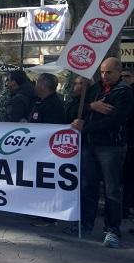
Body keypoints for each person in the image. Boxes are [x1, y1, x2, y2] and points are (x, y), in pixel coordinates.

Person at [70, 58, 133, 248]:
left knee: (111, 189)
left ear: (119, 72)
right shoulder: (94, 88)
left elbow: (115, 121)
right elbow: (75, 108)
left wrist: (86, 126)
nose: (105, 76)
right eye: (103, 72)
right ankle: (85, 224)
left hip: (111, 147)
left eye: (109, 73)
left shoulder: (124, 92)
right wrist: (91, 106)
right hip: (90, 146)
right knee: (88, 186)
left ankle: (112, 230)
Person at [28, 73, 65, 227]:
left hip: (48, 153)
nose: (35, 86)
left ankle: (49, 217)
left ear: (43, 85)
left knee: (47, 183)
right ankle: (42, 213)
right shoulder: (40, 102)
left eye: (37, 83)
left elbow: (51, 130)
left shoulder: (54, 105)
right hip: (38, 152)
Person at [120, 68, 134, 221]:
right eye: (122, 76)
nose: (124, 78)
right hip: (125, 141)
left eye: (127, 76)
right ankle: (124, 208)